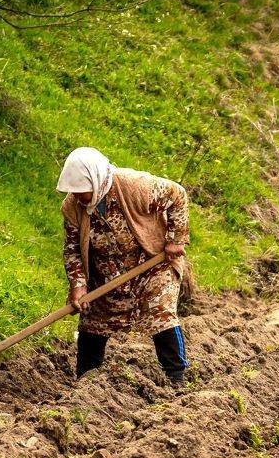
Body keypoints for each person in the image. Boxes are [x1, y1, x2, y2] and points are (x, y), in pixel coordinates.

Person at [56, 146, 195, 388]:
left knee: (160, 312)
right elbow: (72, 249)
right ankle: (85, 384)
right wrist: (78, 285)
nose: (77, 197)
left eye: (81, 192)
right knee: (92, 322)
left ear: (96, 181)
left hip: (150, 264)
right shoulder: (72, 207)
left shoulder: (135, 186)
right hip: (106, 274)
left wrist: (176, 239)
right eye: (73, 192)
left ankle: (176, 378)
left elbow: (178, 195)